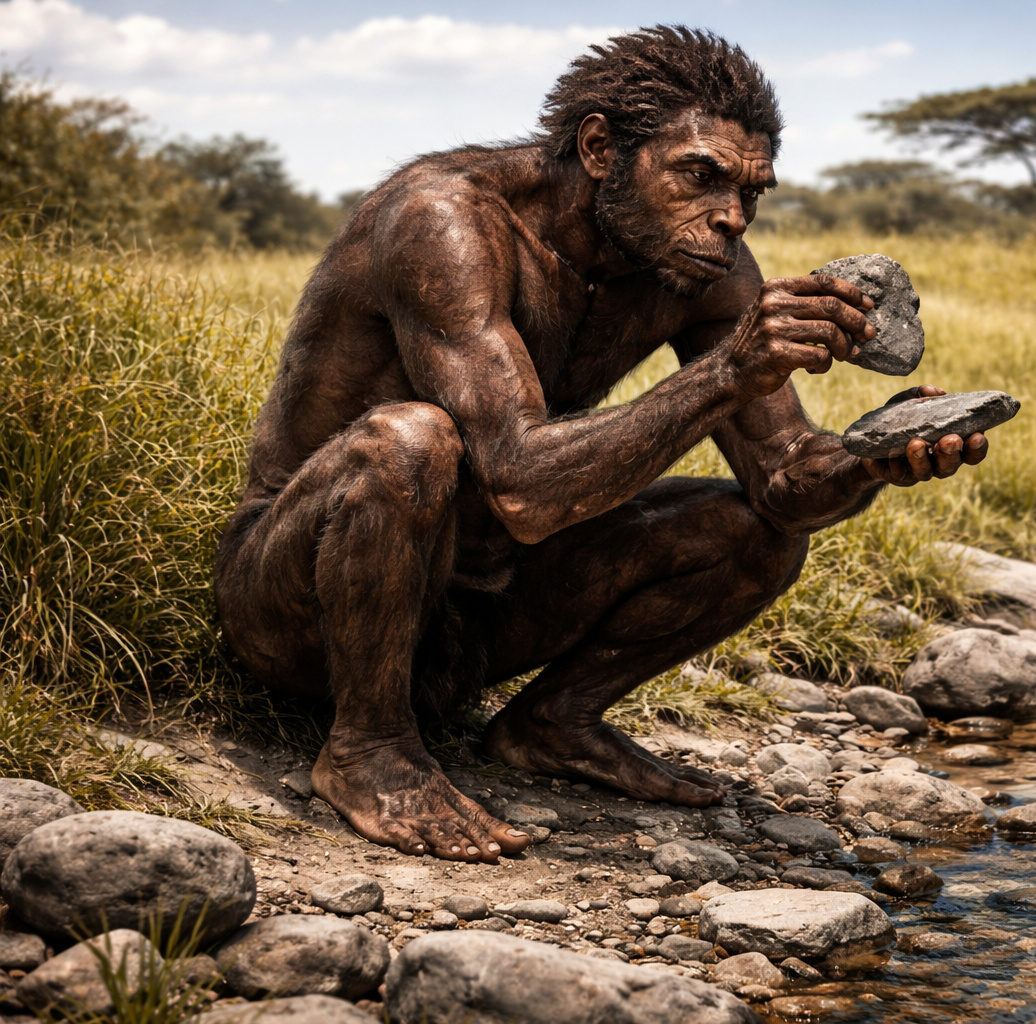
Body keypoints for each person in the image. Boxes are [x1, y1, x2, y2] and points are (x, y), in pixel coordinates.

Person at [215, 26, 990, 861]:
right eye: (701, 176)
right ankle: (369, 747)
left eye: (752, 192)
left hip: (472, 612)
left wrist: (879, 453)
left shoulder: (704, 265)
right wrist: (727, 371)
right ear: (598, 148)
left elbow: (787, 481)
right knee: (413, 441)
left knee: (757, 532)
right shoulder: (448, 219)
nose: (731, 216)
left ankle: (553, 723)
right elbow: (519, 483)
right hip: (305, 609)